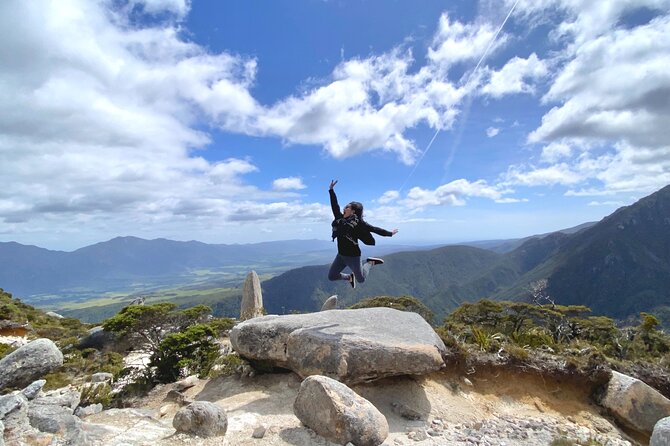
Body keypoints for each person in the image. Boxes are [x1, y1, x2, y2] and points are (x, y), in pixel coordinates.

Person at [327, 179, 398, 288]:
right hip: (341, 255)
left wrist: (390, 233)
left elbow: (374, 229)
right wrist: (331, 190)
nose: (344, 208)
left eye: (347, 207)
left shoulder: (359, 224)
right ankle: (349, 277)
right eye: (345, 206)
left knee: (361, 280)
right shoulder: (339, 219)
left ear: (353, 211)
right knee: (332, 276)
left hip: (353, 256)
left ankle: (369, 263)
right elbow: (334, 205)